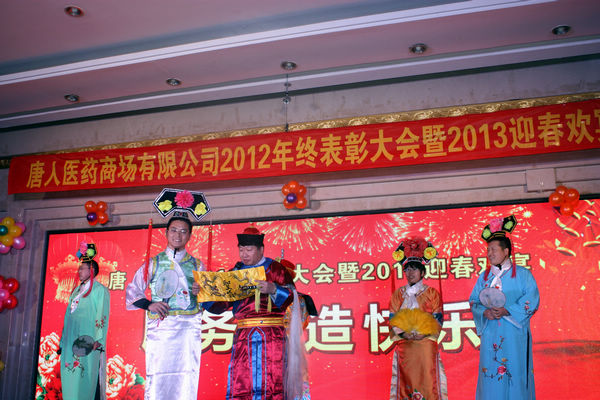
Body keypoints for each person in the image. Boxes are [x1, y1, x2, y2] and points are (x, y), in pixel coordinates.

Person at [203, 226, 295, 400]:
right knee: (243, 380)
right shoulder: (235, 272)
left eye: (249, 250)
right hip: (244, 334)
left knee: (274, 379)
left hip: (272, 334)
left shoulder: (275, 269)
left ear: (261, 249)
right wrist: (203, 293)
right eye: (241, 250)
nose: (244, 254)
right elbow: (219, 304)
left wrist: (273, 289)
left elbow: (292, 296)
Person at [125, 213, 204, 400]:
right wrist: (149, 304)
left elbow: (209, 301)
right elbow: (132, 292)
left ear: (190, 235)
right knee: (158, 374)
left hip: (188, 328)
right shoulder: (154, 263)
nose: (178, 235)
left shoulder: (197, 265)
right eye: (174, 230)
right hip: (162, 328)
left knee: (187, 375)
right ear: (166, 233)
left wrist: (201, 292)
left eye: (183, 231)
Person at [469, 215, 539, 400]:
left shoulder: (523, 275)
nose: (489, 254)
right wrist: (484, 312)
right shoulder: (484, 277)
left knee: (516, 373)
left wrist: (508, 310)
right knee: (491, 373)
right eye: (488, 250)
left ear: (506, 251)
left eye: (493, 249)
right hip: (491, 334)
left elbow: (532, 299)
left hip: (514, 334)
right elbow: (474, 301)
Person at [388, 236, 447, 400]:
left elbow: (438, 318)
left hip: (425, 344)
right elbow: (393, 318)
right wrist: (403, 333)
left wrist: (425, 333)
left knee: (428, 381)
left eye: (414, 269)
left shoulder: (432, 293)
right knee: (405, 384)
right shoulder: (398, 295)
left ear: (422, 272)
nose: (410, 273)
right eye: (407, 270)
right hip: (405, 345)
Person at [59, 242, 110, 400]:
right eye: (79, 268)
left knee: (86, 375)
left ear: (92, 270)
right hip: (71, 339)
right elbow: (68, 317)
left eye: (83, 268)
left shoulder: (99, 290)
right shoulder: (76, 290)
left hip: (88, 340)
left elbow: (102, 314)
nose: (79, 271)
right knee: (70, 375)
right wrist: (62, 341)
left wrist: (98, 340)